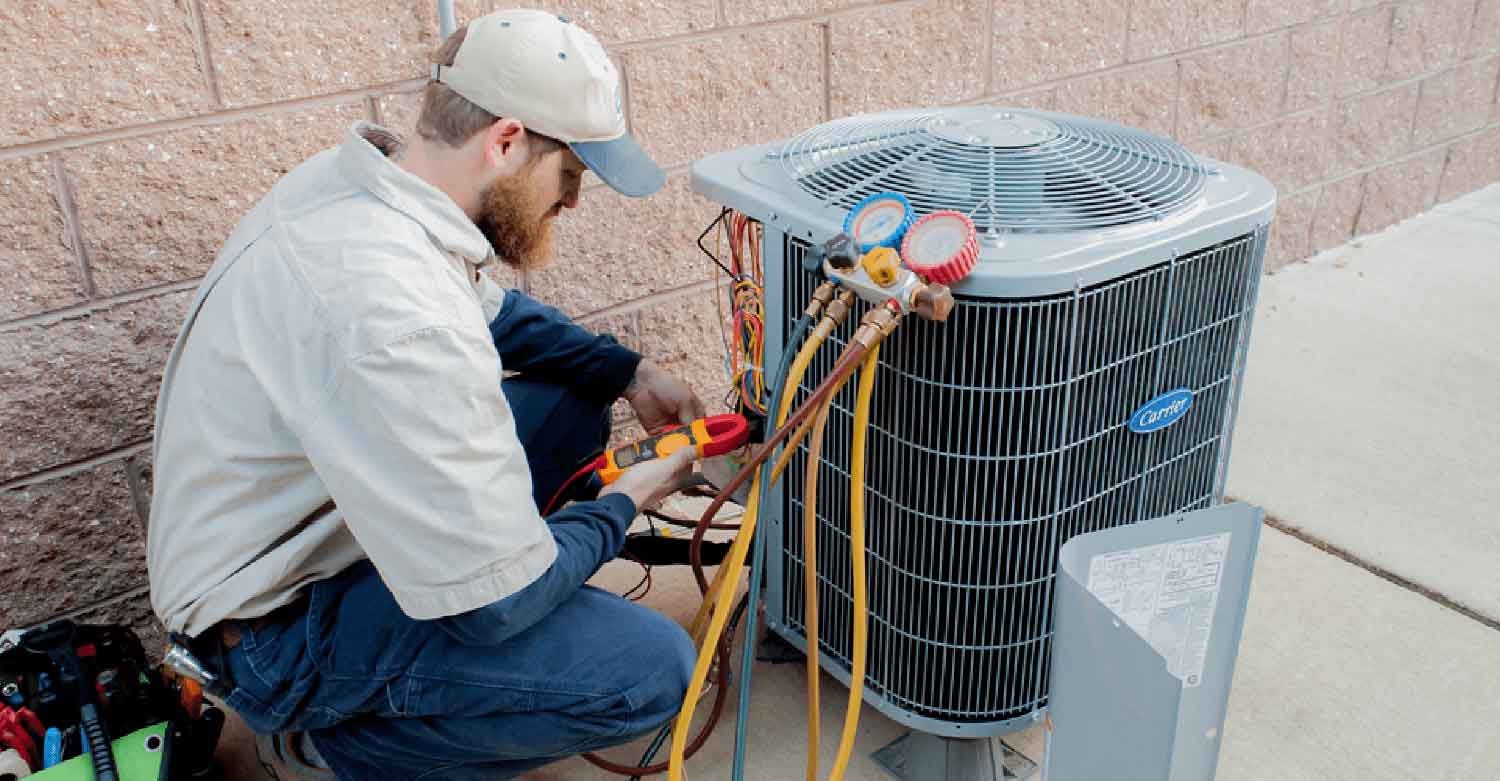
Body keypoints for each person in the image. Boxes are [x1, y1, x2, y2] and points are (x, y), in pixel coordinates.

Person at [145, 9, 705, 779]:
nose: (572, 202)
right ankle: (329, 745)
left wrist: (629, 372)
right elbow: (498, 605)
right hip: (273, 630)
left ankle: (414, 654)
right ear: (506, 141)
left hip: (296, 535)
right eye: (570, 174)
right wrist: (624, 500)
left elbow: (500, 314)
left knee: (574, 396)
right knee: (654, 669)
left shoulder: (366, 191)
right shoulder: (398, 314)